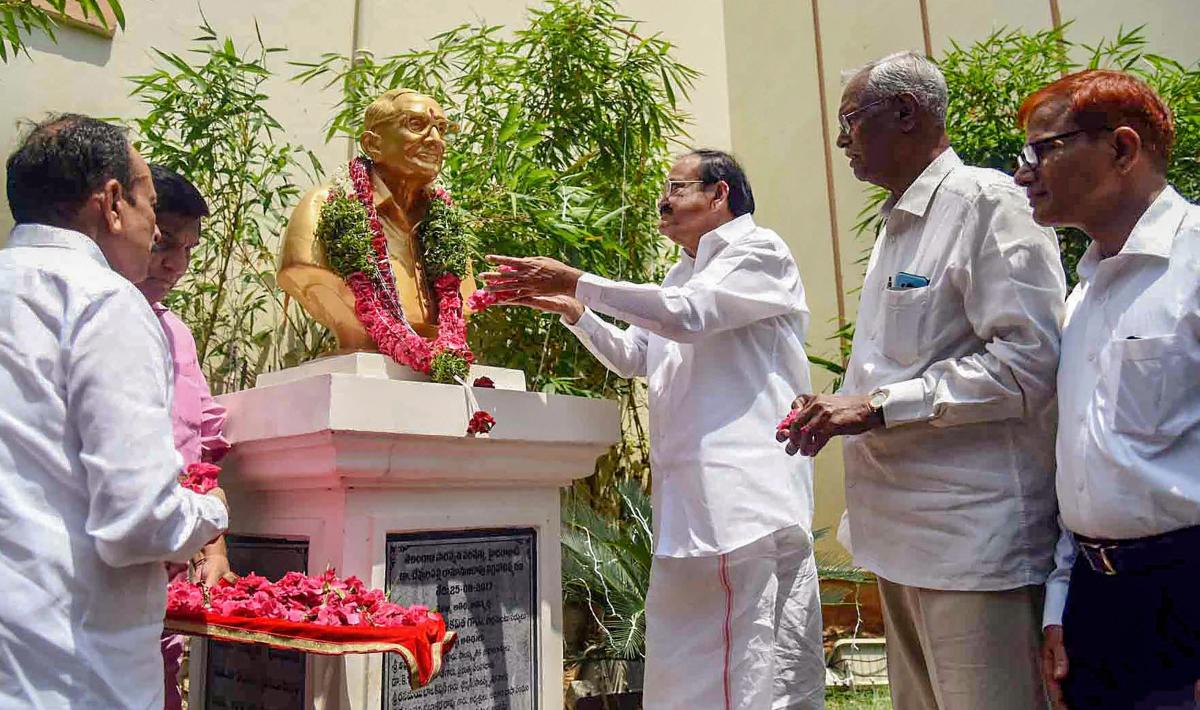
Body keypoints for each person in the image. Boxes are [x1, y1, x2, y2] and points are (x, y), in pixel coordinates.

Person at [482, 148, 825, 709]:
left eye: (677, 187)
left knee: (756, 660)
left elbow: (688, 316)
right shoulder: (678, 274)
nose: (663, 201)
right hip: (687, 500)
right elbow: (636, 357)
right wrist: (575, 309)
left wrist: (582, 281)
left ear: (721, 194)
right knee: (687, 660)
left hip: (743, 499)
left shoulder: (759, 250)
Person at [780, 52, 1065, 709]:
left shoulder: (987, 203)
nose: (841, 140)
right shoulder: (897, 222)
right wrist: (837, 406)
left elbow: (1030, 362)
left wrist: (877, 407)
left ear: (905, 114)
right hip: (897, 537)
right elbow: (898, 362)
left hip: (973, 545)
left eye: (851, 120)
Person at [0, 114, 229, 707]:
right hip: (70, 673)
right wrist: (211, 513)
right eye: (152, 206)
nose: (156, 237)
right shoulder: (102, 299)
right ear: (112, 204)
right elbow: (138, 522)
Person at [1015, 69, 1200, 709]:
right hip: (1097, 602)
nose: (1022, 173)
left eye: (1043, 149)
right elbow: (1084, 466)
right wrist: (1061, 604)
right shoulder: (1082, 293)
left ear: (1122, 149)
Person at [140, 164, 237, 709]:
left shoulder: (175, 331)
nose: (175, 264)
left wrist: (211, 541)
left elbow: (202, 444)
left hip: (168, 581)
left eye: (189, 250)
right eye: (162, 243)